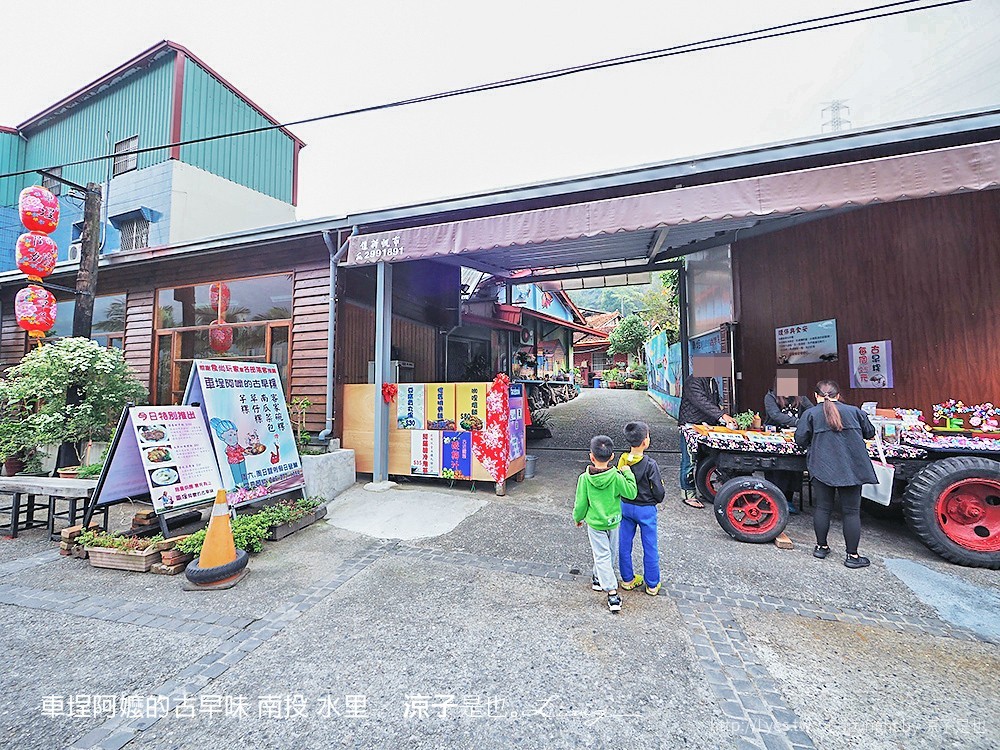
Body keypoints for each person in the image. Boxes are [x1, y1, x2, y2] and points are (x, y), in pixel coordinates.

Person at [794, 379, 877, 569]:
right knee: (851, 512)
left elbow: (800, 439)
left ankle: (821, 548)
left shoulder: (811, 413)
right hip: (852, 467)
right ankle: (852, 556)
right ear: (838, 395)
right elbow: (870, 432)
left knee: (823, 508)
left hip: (822, 466)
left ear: (816, 397)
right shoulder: (855, 411)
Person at [574, 435, 638, 612]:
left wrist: (578, 518)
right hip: (613, 522)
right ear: (612, 457)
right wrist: (628, 473)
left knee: (602, 554)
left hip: (595, 523)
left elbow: (581, 504)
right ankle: (598, 578)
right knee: (609, 553)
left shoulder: (584, 479)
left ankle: (611, 593)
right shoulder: (617, 477)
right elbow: (631, 493)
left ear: (591, 456)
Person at [617, 421, 666, 596]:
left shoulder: (622, 461)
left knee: (624, 544)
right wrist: (655, 498)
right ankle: (652, 584)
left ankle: (628, 580)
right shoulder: (650, 464)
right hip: (646, 509)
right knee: (650, 546)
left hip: (626, 506)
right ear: (645, 442)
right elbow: (659, 491)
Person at [678, 375, 737, 508]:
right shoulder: (693, 380)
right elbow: (701, 401)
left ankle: (704, 490)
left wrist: (721, 420)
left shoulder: (712, 381)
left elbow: (713, 404)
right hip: (690, 426)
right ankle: (688, 495)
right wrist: (722, 416)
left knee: (704, 461)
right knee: (689, 461)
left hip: (706, 427)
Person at [763, 373, 814, 513]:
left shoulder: (800, 397)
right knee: (778, 467)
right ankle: (773, 499)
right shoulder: (770, 397)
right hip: (775, 437)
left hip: (794, 437)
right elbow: (775, 415)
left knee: (794, 466)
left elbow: (812, 410)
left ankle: (789, 499)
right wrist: (799, 422)